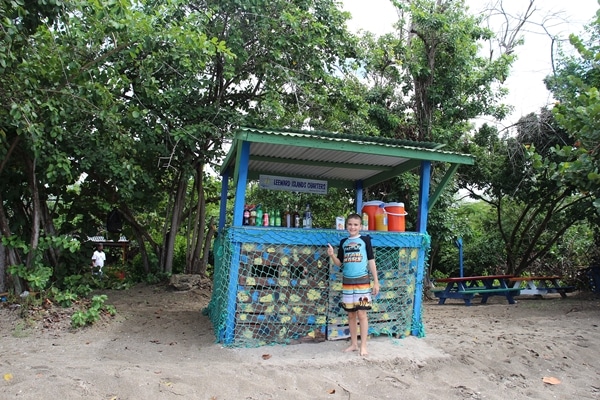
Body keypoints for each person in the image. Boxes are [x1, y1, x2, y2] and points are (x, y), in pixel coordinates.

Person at [327, 213, 380, 356]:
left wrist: (376, 281)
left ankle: (363, 346)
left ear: (360, 226)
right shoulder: (343, 242)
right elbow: (339, 264)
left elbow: (371, 260)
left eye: (356, 224)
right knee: (351, 315)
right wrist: (332, 254)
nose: (352, 227)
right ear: (346, 226)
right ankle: (354, 344)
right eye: (350, 224)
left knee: (362, 314)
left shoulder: (365, 240)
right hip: (347, 282)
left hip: (362, 281)